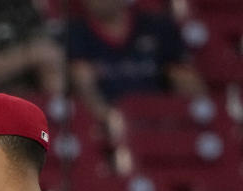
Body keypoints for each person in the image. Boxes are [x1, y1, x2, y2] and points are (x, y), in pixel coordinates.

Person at [67, 0, 206, 136]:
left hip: (159, 114)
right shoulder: (75, 32)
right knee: (82, 77)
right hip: (109, 116)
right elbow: (79, 79)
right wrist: (108, 120)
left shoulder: (156, 26)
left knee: (186, 79)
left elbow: (182, 73)